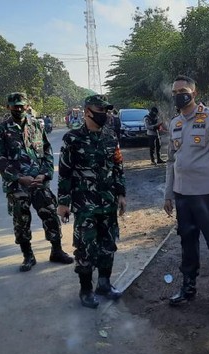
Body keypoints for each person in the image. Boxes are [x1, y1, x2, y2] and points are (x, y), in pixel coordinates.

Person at [164, 75, 209, 312]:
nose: (178, 95)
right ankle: (188, 287)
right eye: (175, 92)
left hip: (208, 194)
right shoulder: (174, 123)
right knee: (187, 242)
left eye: (183, 90)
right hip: (183, 194)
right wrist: (168, 195)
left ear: (195, 93)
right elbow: (170, 162)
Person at [57, 95, 127, 308]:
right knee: (86, 247)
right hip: (85, 205)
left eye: (106, 110)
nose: (104, 114)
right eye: (100, 109)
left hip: (108, 202)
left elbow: (118, 167)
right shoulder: (73, 138)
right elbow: (65, 172)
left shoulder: (110, 137)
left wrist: (121, 194)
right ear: (88, 111)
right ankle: (86, 289)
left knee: (108, 245)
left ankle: (104, 284)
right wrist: (63, 202)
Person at [0, 92, 74, 272]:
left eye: (22, 105)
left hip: (38, 182)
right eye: (15, 106)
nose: (19, 108)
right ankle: (28, 255)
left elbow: (46, 152)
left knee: (51, 215)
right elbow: (0, 159)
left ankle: (57, 250)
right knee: (21, 221)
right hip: (18, 185)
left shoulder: (36, 125)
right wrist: (19, 177)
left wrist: (44, 174)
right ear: (8, 107)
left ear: (27, 106)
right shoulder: (1, 130)